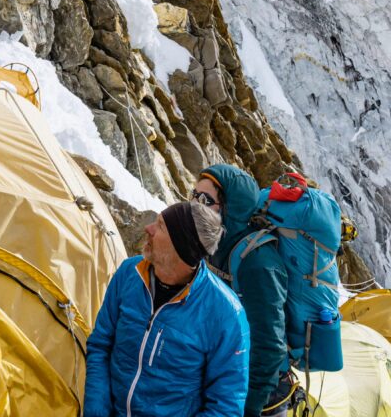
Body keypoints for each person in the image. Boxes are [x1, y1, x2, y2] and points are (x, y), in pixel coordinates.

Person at [84, 200, 250, 417]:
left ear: (181, 247)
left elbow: (225, 407)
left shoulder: (226, 314)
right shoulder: (129, 272)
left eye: (160, 226)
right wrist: (96, 410)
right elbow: (100, 345)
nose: (148, 228)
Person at [196, 166, 291, 416]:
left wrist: (249, 408)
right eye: (194, 196)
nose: (195, 205)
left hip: (260, 397)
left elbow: (270, 347)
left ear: (231, 208)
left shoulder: (259, 263)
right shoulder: (214, 244)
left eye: (205, 200)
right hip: (225, 380)